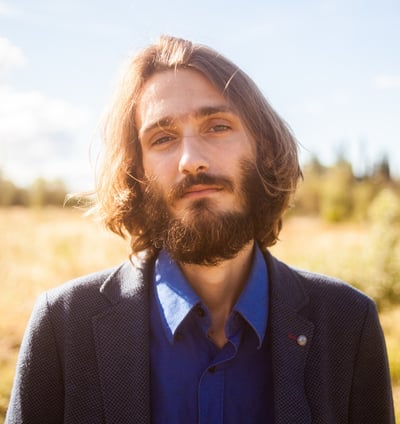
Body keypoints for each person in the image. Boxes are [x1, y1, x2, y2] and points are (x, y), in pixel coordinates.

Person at [6, 35, 394, 424]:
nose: (191, 161)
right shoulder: (62, 327)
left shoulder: (348, 323)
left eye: (218, 126)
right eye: (162, 138)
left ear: (261, 147)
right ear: (137, 171)